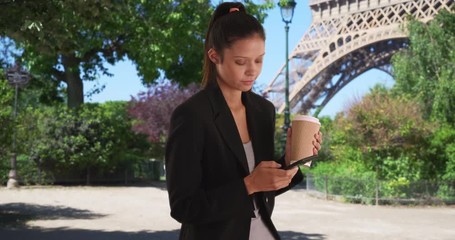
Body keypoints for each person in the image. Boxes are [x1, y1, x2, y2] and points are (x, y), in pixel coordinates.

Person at [165, 2, 322, 240]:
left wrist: (290, 162)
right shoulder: (191, 115)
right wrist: (248, 184)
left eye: (259, 60)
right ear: (214, 56)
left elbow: (262, 191)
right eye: (241, 62)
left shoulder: (263, 111)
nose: (252, 71)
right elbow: (183, 207)